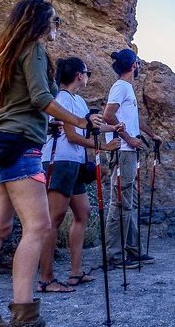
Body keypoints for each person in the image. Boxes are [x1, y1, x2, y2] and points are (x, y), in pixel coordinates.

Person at [0, 0, 102, 327]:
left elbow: (26, 100)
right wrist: (81, 120)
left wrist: (57, 117)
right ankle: (26, 323)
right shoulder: (35, 49)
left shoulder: (6, 53)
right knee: (38, 227)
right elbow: (42, 99)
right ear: (41, 22)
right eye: (54, 21)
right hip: (23, 146)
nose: (57, 27)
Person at [37, 57, 122, 293]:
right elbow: (73, 136)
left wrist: (113, 128)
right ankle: (46, 278)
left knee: (82, 214)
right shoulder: (61, 100)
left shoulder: (78, 101)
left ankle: (75, 272)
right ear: (78, 75)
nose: (88, 77)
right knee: (54, 218)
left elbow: (90, 126)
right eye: (87, 73)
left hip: (73, 162)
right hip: (59, 160)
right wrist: (104, 147)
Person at [102, 49, 162, 269]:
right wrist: (129, 138)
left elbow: (133, 118)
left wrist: (150, 134)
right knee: (121, 202)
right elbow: (109, 115)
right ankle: (115, 256)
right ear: (134, 65)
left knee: (130, 202)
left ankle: (132, 251)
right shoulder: (120, 87)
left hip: (129, 150)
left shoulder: (126, 88)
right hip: (124, 151)